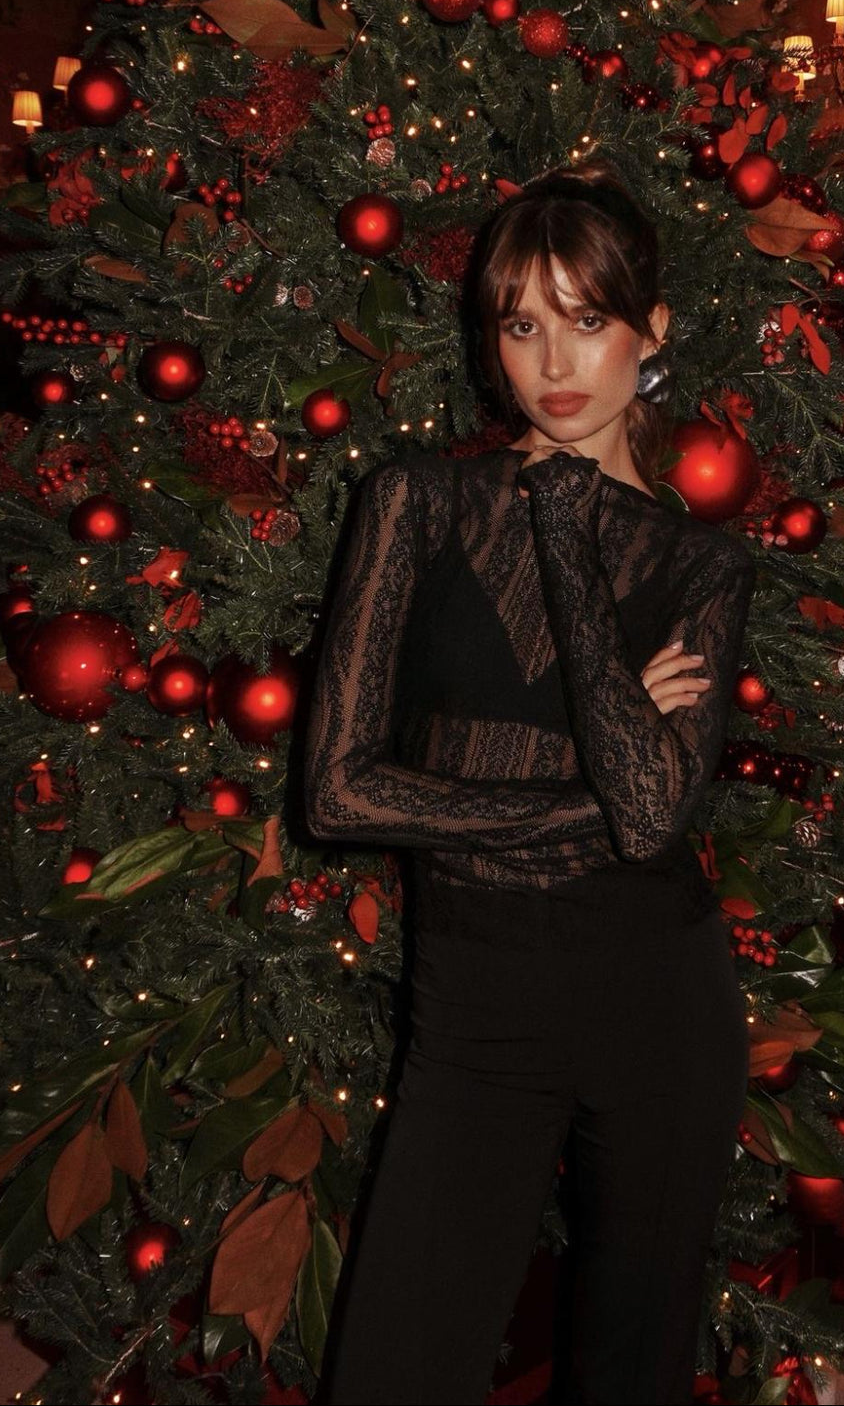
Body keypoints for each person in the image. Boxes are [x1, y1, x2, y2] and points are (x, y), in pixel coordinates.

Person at [303, 159, 757, 1405]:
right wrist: (589, 792)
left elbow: (652, 821)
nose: (553, 362)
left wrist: (563, 527)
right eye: (520, 325)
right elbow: (339, 792)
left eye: (586, 319)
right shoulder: (418, 505)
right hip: (475, 1005)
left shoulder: (698, 570)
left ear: (650, 333)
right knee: (397, 1367)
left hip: (657, 997)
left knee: (629, 1368)